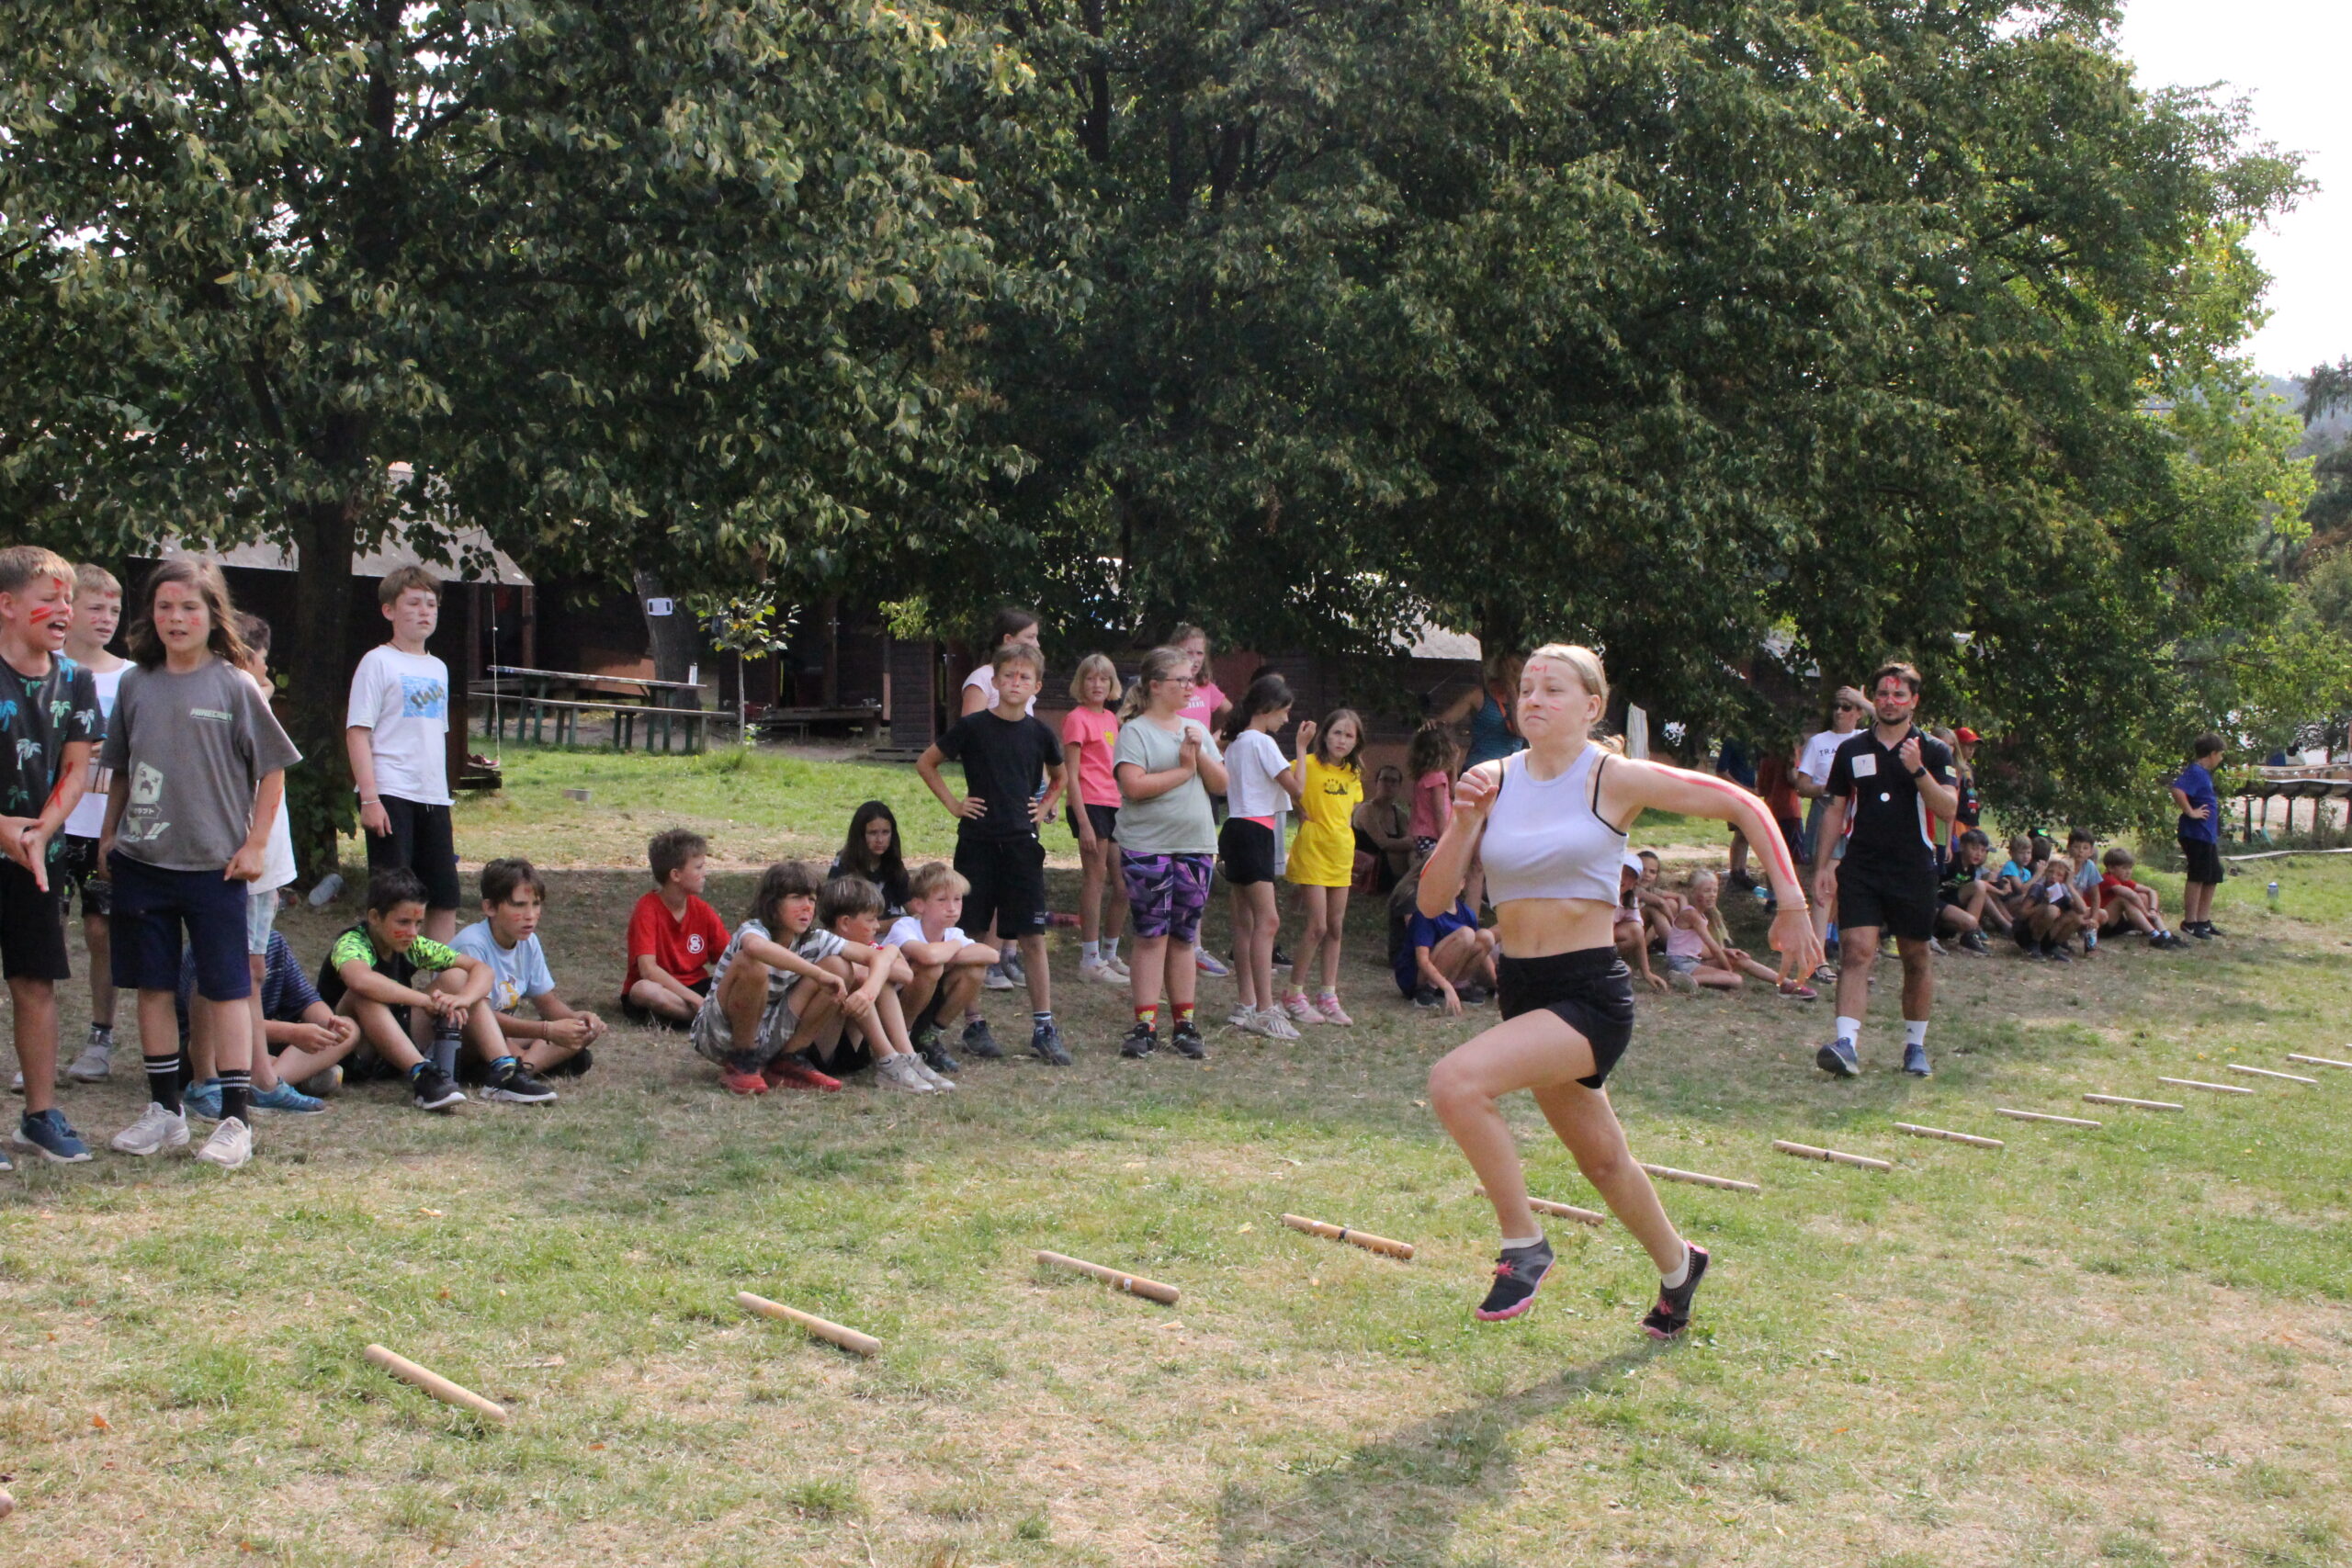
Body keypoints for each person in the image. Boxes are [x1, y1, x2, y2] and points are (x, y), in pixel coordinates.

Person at [1422, 643, 1818, 1337]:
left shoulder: (1613, 777)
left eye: (1553, 689)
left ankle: (1524, 1244)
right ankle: (1680, 1267)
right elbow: (1432, 902)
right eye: (1527, 688)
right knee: (1605, 1161)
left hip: (1588, 994)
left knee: (1455, 1082)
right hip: (1523, 987)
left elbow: (1745, 803)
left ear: (1593, 706)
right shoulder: (1493, 778)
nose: (1534, 699)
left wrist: (1792, 902)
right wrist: (1462, 823)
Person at [96, 560, 297, 1169]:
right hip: (142, 862)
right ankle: (166, 1110)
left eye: (189, 607)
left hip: (216, 868)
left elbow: (272, 770)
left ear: (214, 615)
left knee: (226, 988)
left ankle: (235, 1119)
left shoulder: (235, 686)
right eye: (164, 607)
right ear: (150, 615)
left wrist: (255, 844)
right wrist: (109, 835)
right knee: (153, 987)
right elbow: (121, 769)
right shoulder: (136, 684)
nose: (176, 619)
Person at [916, 643, 1071, 1065]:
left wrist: (1044, 805)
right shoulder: (973, 727)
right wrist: (954, 804)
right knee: (969, 934)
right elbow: (927, 762)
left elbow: (1061, 775)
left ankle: (1044, 1026)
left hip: (1022, 844)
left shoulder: (1040, 733)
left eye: (1024, 677)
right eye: (1008, 676)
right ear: (995, 681)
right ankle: (972, 1022)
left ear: (1036, 687)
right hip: (978, 843)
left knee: (1032, 936)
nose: (1015, 683)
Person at [0, 547, 103, 1168]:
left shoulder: (77, 679)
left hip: (40, 856)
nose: (64, 610)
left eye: (69, 599)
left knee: (35, 981)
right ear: (7, 605)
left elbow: (77, 768)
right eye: (50, 598)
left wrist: (41, 832)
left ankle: (39, 1116)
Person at [1810, 661, 1957, 1080]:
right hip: (1862, 865)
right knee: (1856, 950)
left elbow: (1947, 808)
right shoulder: (1852, 749)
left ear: (1914, 701)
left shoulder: (1934, 750)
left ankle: (1915, 1046)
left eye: (1898, 695)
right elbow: (1835, 809)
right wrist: (1823, 866)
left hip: (1913, 867)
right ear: (1872, 698)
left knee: (1915, 956)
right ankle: (1846, 1044)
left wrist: (1918, 771)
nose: (1890, 701)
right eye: (1883, 694)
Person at [319, 867, 556, 1108]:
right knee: (362, 995)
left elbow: (482, 970)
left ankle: (503, 1071)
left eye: (418, 923)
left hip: (390, 1045)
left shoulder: (412, 943)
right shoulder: (352, 943)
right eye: (403, 922)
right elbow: (361, 980)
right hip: (344, 1047)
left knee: (457, 977)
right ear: (374, 917)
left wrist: (464, 999)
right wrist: (424, 1001)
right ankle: (422, 1075)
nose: (412, 932)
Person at [1112, 645, 1225, 1062]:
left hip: (1196, 847)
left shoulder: (1195, 729)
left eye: (1192, 679)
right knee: (1151, 935)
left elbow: (1221, 785)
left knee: (1183, 936)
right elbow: (1133, 787)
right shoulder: (1135, 732)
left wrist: (1199, 754)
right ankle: (1145, 1025)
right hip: (1148, 847)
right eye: (1182, 680)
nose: (1190, 687)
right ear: (1156, 686)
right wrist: (1183, 770)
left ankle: (1184, 1024)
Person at [345, 565, 459, 943]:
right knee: (395, 899)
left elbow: (435, 734)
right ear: (389, 610)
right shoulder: (377, 662)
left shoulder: (439, 668)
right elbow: (358, 732)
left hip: (433, 797)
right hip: (391, 793)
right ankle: (384, 973)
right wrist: (370, 798)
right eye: (413, 603)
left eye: (431, 604)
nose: (424, 611)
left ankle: (441, 976)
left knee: (444, 896)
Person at [57, 562, 127, 1085]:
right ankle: (41, 1042)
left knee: (102, 930)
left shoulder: (130, 676)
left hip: (106, 826)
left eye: (115, 610)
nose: (106, 618)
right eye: (96, 607)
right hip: (53, 824)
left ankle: (100, 1038)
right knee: (45, 931)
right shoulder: (45, 669)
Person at [453, 858, 608, 1080]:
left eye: (536, 904)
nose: (530, 915)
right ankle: (521, 1069)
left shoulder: (528, 942)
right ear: (489, 907)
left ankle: (522, 1069)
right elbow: (477, 1018)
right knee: (566, 1051)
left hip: (507, 1037)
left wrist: (578, 1020)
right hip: (469, 1041)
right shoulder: (472, 944)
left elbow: (547, 1003)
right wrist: (547, 1031)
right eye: (519, 905)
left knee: (579, 1039)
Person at [799, 874, 954, 1090]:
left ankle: (907, 1055)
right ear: (845, 923)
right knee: (865, 976)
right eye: (871, 920)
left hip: (854, 1051)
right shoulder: (822, 944)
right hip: (820, 1047)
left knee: (878, 978)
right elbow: (860, 974)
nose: (877, 926)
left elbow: (906, 975)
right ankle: (889, 1059)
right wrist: (883, 961)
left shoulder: (869, 947)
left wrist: (885, 958)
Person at [959, 607, 1041, 992]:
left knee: (1018, 884)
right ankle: (987, 959)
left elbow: (1035, 750)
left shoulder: (1026, 688)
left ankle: (1007, 952)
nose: (1036, 643)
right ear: (1008, 640)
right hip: (990, 804)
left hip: (1021, 801)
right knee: (986, 887)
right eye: (1030, 637)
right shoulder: (981, 680)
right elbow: (973, 740)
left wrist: (1042, 797)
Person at [175, 931, 361, 1099]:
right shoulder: (208, 946)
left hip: (262, 1043)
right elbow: (218, 1023)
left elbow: (306, 999)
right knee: (214, 1043)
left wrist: (331, 1024)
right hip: (204, 1045)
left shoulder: (273, 943)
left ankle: (268, 1081)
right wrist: (291, 1033)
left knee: (350, 1029)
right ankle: (288, 1078)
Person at [1219, 673, 1304, 1039]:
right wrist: (1301, 749)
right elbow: (1297, 788)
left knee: (1245, 923)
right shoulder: (1263, 742)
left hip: (1235, 829)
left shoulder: (1236, 743)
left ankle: (1246, 1003)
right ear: (1267, 708)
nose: (1286, 719)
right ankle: (1266, 1009)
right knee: (1268, 921)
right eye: (1284, 711)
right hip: (1256, 832)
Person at [1280, 707, 1365, 1025]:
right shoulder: (1308, 764)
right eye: (1337, 733)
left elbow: (1348, 810)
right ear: (1325, 735)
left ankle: (1328, 995)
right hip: (1313, 851)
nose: (1342, 740)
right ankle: (1293, 993)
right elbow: (1287, 784)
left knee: (1335, 926)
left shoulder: (1353, 774)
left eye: (1349, 735)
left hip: (1340, 853)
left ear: (1357, 742)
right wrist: (1298, 807)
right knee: (1317, 925)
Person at [880, 861, 999, 1076]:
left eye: (957, 899)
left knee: (975, 971)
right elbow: (928, 956)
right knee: (931, 969)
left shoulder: (953, 933)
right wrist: (954, 946)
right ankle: (902, 1039)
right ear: (919, 905)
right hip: (893, 1004)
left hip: (928, 1000)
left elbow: (991, 955)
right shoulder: (905, 927)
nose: (952, 908)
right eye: (942, 900)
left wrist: (949, 948)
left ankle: (929, 1036)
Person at [1170, 624, 1234, 979]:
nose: (1194, 659)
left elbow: (1234, 713)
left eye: (1199, 653)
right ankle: (1166, 938)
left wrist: (1213, 740)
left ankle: (1195, 944)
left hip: (1202, 778)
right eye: (1187, 652)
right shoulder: (1168, 685)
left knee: (1200, 859)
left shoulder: (1207, 688)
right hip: (1171, 776)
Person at [1061, 654, 1129, 985]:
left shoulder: (1111, 719)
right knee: (1095, 877)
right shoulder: (1076, 719)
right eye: (1091, 678)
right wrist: (1085, 823)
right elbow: (1071, 775)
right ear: (1081, 683)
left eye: (1104, 679)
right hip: (1089, 804)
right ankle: (1089, 959)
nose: (1097, 684)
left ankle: (1110, 952)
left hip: (1114, 804)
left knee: (1125, 882)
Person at [622, 829, 729, 1026]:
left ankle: (686, 1017)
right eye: (698, 867)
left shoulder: (702, 910)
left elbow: (729, 958)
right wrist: (695, 1000)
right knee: (644, 990)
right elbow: (648, 970)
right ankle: (710, 1019)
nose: (705, 873)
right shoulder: (647, 908)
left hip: (696, 986)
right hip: (661, 989)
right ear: (676, 875)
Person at [1793, 687, 1867, 971]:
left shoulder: (1865, 739)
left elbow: (1900, 727)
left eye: (1847, 707)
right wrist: (1829, 788)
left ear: (1859, 712)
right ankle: (1817, 957)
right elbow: (1802, 785)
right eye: (1836, 706)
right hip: (1828, 812)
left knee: (1851, 887)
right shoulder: (1819, 742)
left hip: (1859, 817)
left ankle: (1842, 950)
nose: (1839, 712)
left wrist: (1864, 700)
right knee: (1826, 883)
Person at [1665, 870, 1816, 997]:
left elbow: (1698, 948)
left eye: (1714, 890)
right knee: (1736, 979)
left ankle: (1787, 983)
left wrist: (1727, 952)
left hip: (1693, 961)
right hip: (1682, 964)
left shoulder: (1700, 915)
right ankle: (1689, 980)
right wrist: (1728, 969)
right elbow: (1713, 948)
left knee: (1740, 959)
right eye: (1706, 891)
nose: (1712, 895)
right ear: (1693, 892)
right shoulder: (1692, 915)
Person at [1398, 881, 1498, 1013]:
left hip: (1448, 973)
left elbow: (1482, 951)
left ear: (1462, 883)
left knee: (1486, 936)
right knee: (1466, 934)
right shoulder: (1427, 912)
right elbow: (1422, 960)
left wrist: (1498, 983)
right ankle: (1427, 990)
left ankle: (1459, 986)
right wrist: (1446, 987)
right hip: (1417, 976)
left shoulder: (1466, 913)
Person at [2172, 734, 2227, 939]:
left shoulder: (2203, 774)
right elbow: (2178, 790)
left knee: (2212, 876)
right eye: (2220, 754)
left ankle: (2203, 921)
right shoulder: (2195, 771)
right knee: (2198, 876)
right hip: (2195, 833)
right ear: (2212, 754)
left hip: (2206, 834)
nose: (2221, 759)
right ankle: (2190, 922)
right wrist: (2190, 812)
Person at [1439, 650, 1528, 769]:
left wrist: (1512, 693)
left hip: (1510, 771)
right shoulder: (1479, 696)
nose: (1514, 675)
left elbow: (1521, 732)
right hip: (1480, 768)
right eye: (1510, 670)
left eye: (1517, 671)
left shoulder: (1524, 698)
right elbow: (1447, 719)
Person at [829, 800, 911, 916]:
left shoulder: (893, 864)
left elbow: (912, 906)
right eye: (873, 833)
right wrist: (898, 922)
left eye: (885, 832)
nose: (880, 840)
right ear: (860, 835)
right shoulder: (844, 865)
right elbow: (843, 919)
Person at [2098, 848, 2181, 947]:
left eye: (2130, 868)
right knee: (2124, 898)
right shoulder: (2107, 878)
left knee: (2143, 896)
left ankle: (2165, 933)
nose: (2128, 872)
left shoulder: (2123, 880)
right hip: (2101, 925)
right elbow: (2132, 895)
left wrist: (2153, 910)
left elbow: (2151, 891)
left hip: (2117, 923)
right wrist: (2146, 913)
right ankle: (2154, 935)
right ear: (2111, 868)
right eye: (2124, 868)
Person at [1935, 829, 2003, 951]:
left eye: (1982, 850)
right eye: (1974, 848)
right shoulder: (1951, 861)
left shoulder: (1971, 869)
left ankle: (1970, 935)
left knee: (1979, 888)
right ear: (1962, 847)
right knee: (1970, 921)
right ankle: (1969, 930)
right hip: (1935, 901)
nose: (1979, 854)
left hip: (1950, 901)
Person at [1352, 764, 1413, 892]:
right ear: (1376, 783)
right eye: (1384, 779)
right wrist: (1412, 843)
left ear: (1399, 786)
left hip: (1390, 867)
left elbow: (1407, 839)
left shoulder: (1399, 814)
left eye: (1394, 781)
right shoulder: (1367, 810)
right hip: (1370, 869)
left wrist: (1411, 843)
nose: (1389, 784)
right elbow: (1384, 843)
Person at [2011, 855, 2084, 962]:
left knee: (2076, 917)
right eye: (2050, 872)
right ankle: (2034, 945)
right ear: (2045, 873)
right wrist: (2042, 906)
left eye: (2059, 875)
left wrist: (2070, 885)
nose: (2053, 876)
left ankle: (2051, 946)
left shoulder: (2061, 892)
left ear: (2064, 879)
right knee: (2052, 910)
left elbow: (2082, 910)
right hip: (2026, 933)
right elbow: (2021, 914)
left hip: (2046, 935)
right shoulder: (2038, 888)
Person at [1407, 723, 1456, 860]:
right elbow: (1439, 811)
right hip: (1434, 836)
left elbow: (1452, 791)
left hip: (1422, 835)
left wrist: (1453, 767)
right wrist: (1445, 840)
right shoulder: (1437, 777)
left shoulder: (1423, 776)